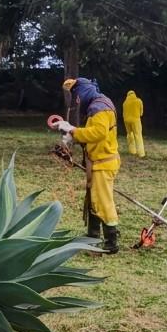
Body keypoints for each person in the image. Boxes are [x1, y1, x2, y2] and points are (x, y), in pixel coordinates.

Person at [54, 78, 121, 253]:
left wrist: (73, 130)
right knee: (94, 199)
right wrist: (72, 136)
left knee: (103, 202)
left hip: (103, 163)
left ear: (83, 92)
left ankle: (111, 243)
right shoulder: (98, 104)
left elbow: (97, 133)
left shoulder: (100, 108)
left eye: (76, 95)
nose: (76, 100)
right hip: (98, 162)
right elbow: (92, 134)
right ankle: (92, 236)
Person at [122, 90, 145, 157]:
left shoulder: (124, 103)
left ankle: (132, 151)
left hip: (126, 120)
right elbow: (141, 112)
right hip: (135, 120)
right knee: (138, 135)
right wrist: (139, 114)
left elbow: (123, 113)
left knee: (129, 134)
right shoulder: (138, 101)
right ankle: (141, 153)